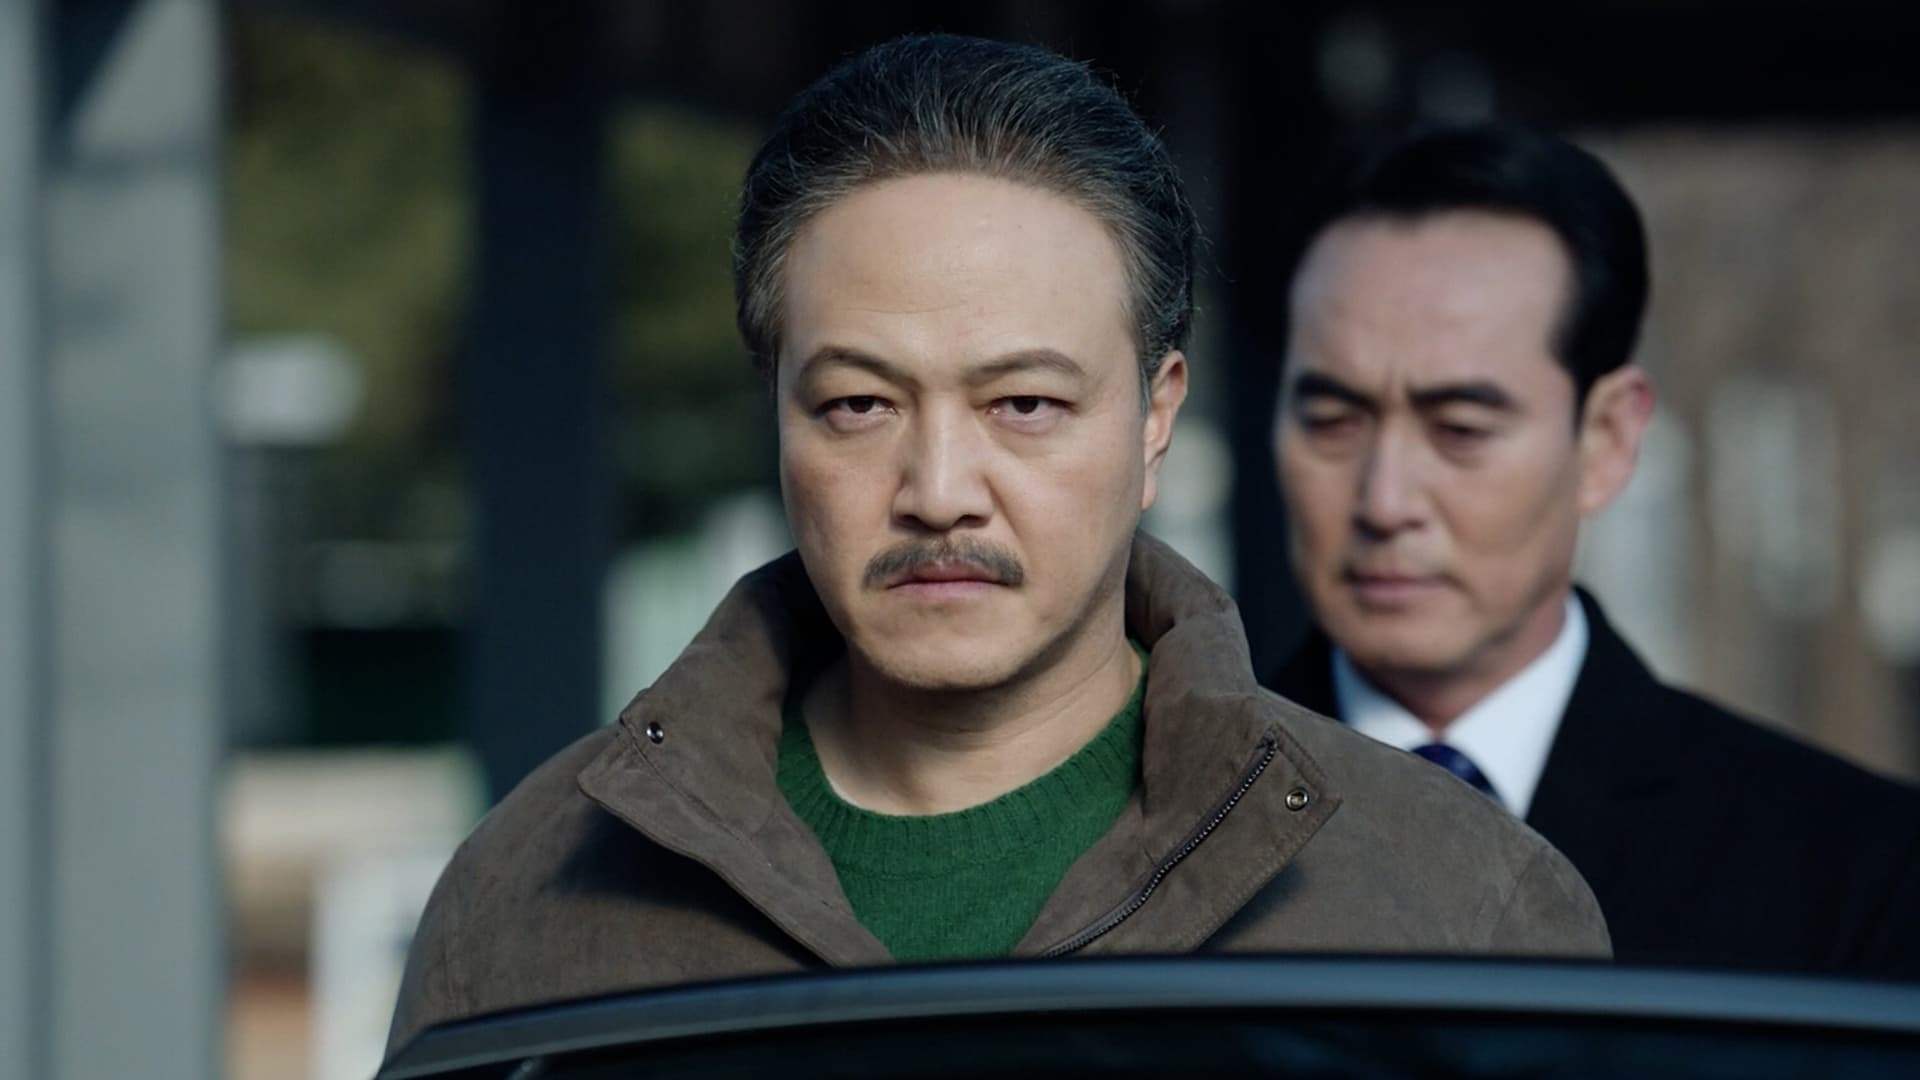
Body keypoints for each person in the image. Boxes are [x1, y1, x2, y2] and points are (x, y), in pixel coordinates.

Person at [386, 38, 1608, 1058]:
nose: (938, 492)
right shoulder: (531, 889)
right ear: (779, 415)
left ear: (1155, 421)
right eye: (858, 405)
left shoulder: (1456, 904)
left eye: (1024, 404)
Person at [1263, 123, 1920, 978]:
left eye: (1460, 430)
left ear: (1607, 440)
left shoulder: (1855, 872)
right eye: (1331, 420)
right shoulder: (1155, 821)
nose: (1385, 502)